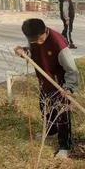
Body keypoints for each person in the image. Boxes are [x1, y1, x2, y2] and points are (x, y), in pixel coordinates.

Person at [14, 19, 79, 159]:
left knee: (62, 114)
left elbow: (72, 69)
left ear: (45, 31)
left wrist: (69, 87)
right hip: (44, 81)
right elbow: (33, 54)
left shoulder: (58, 43)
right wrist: (23, 51)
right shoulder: (34, 39)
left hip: (61, 84)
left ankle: (65, 146)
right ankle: (51, 131)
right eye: (33, 41)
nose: (38, 42)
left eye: (40, 39)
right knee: (45, 107)